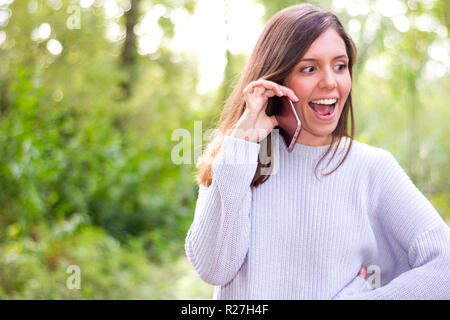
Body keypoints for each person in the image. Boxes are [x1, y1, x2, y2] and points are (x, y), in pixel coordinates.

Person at [184, 3, 450, 299]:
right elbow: (213, 270)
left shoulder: (372, 168)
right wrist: (242, 144)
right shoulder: (235, 159)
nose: (330, 82)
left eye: (340, 66)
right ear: (276, 80)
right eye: (309, 68)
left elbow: (444, 267)